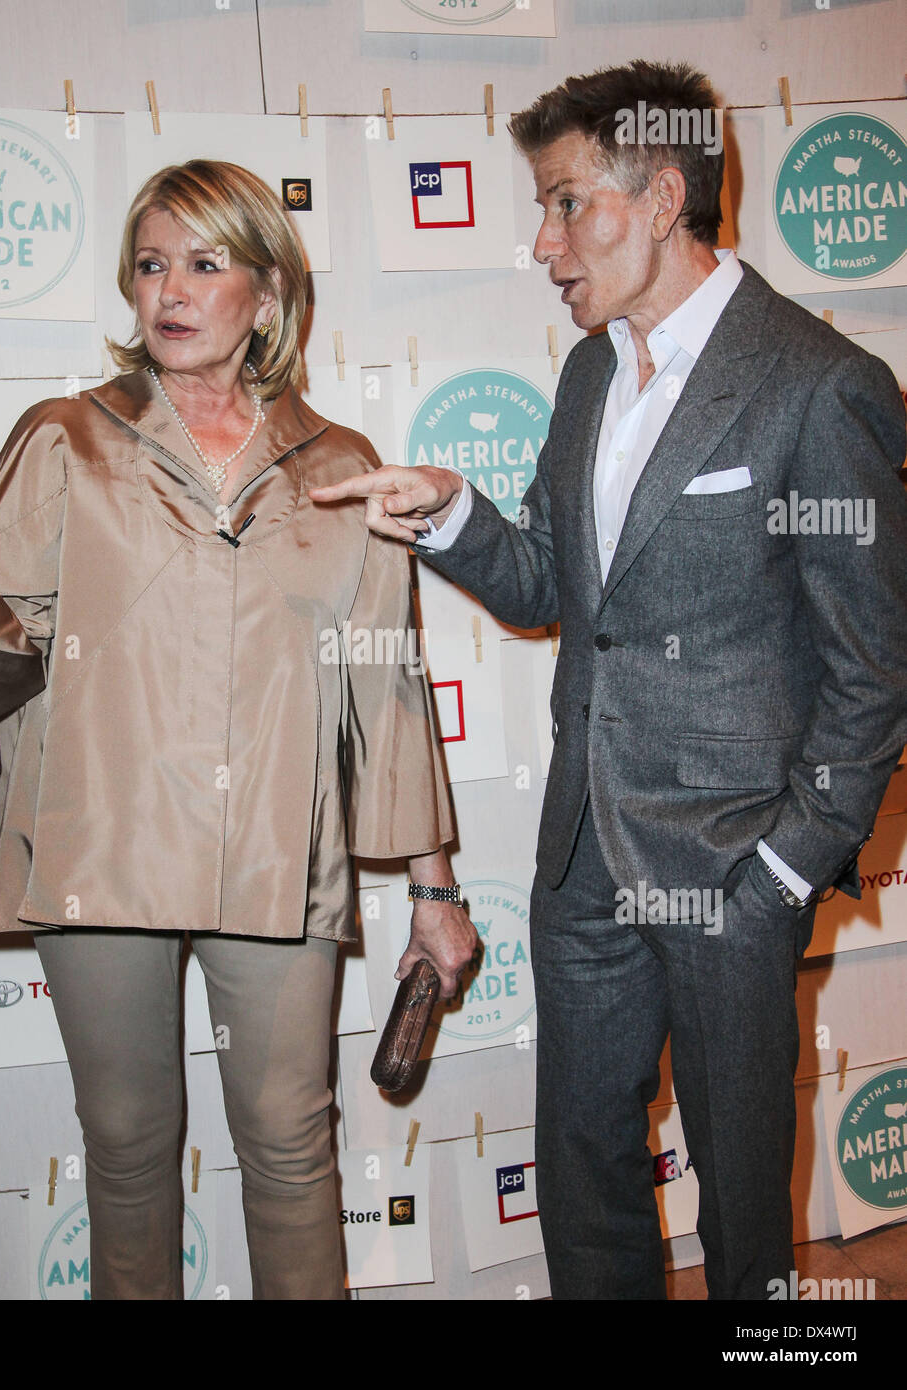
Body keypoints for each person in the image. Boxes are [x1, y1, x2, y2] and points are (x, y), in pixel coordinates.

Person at [311, 61, 907, 1300]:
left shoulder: (819, 384)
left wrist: (788, 868)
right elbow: (550, 588)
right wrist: (452, 513)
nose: (542, 243)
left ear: (663, 195)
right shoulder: (590, 373)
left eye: (566, 202)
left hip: (735, 866)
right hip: (582, 849)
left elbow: (876, 663)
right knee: (582, 1173)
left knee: (746, 1204)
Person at [0, 159, 477, 1301]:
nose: (171, 291)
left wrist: (435, 895)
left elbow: (382, 688)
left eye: (204, 262)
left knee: (295, 1149)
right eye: (150, 264)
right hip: (98, 849)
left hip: (274, 855)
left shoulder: (342, 468)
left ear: (270, 295)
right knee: (130, 1155)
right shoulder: (62, 440)